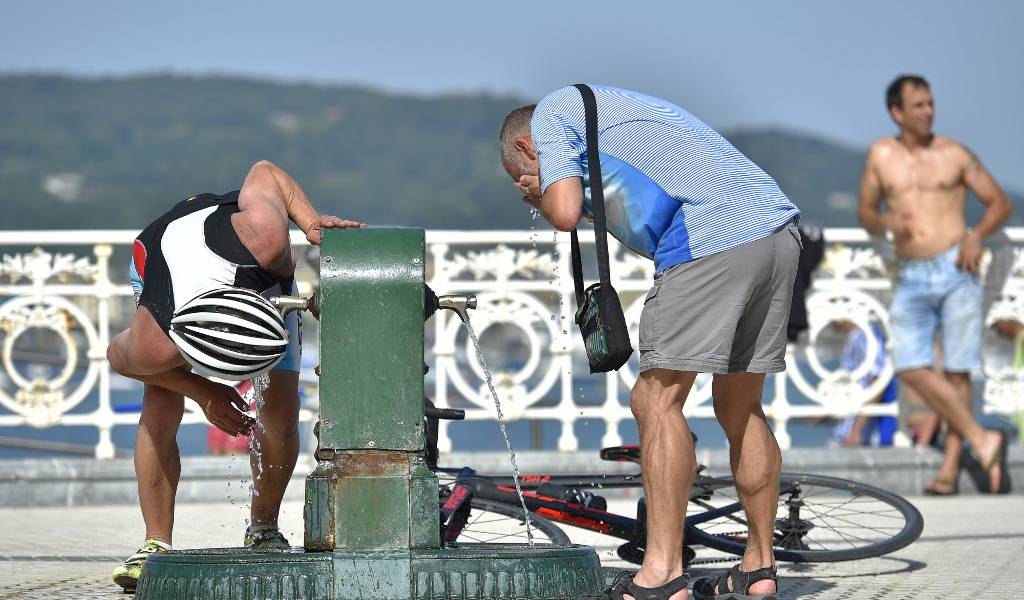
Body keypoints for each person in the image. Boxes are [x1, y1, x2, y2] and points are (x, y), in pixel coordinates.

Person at [499, 85, 801, 600]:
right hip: (777, 230)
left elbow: (565, 211)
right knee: (741, 405)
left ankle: (662, 571)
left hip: (711, 239)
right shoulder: (609, 117)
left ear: (528, 148)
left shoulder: (550, 115)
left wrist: (540, 194)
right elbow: (627, 199)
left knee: (655, 399)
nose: (531, 183)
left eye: (525, 174)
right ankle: (758, 567)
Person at [106, 160, 365, 591]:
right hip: (157, 259)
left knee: (281, 408)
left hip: (248, 265)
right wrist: (204, 392)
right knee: (161, 400)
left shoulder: (265, 238)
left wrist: (309, 221)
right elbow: (119, 359)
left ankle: (263, 530)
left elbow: (266, 170)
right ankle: (155, 542)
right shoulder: (158, 338)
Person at [858, 74, 1011, 495]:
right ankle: (984, 439)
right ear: (897, 112)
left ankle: (949, 471)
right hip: (910, 272)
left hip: (956, 269)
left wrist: (975, 235)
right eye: (919, 105)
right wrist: (886, 220)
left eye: (930, 103)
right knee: (910, 366)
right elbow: (867, 212)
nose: (929, 112)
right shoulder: (881, 155)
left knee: (958, 372)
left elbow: (1000, 201)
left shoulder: (954, 154)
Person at [830, 320, 897, 448]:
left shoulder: (867, 336)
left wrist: (856, 432)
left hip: (858, 438)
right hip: (847, 431)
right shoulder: (858, 336)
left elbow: (877, 383)